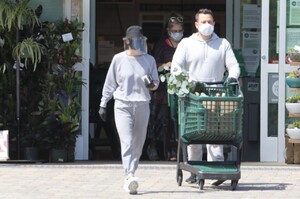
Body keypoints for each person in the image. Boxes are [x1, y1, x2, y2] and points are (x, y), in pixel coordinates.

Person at [171, 8, 240, 185]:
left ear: (214, 24)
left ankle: (217, 169)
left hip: (216, 95)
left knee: (215, 133)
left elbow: (233, 65)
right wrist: (189, 81)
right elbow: (176, 67)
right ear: (196, 25)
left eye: (210, 21)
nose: (207, 25)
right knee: (193, 134)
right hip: (194, 95)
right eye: (203, 22)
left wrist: (231, 77)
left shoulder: (223, 44)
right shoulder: (186, 44)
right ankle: (193, 169)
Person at [99, 25, 159, 194]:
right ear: (127, 42)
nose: (137, 45)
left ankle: (132, 171)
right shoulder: (118, 59)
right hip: (122, 105)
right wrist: (103, 103)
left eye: (140, 41)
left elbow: (156, 83)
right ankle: (130, 175)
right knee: (126, 141)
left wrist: (152, 85)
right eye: (134, 42)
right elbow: (110, 82)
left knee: (138, 143)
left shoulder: (149, 60)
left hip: (142, 104)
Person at [148, 12, 185, 161]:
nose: (177, 34)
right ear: (169, 31)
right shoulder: (162, 45)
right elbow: (153, 64)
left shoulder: (186, 44)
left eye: (180, 31)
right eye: (174, 31)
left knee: (178, 121)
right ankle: (160, 148)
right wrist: (164, 65)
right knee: (163, 120)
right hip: (164, 90)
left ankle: (177, 151)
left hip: (181, 88)